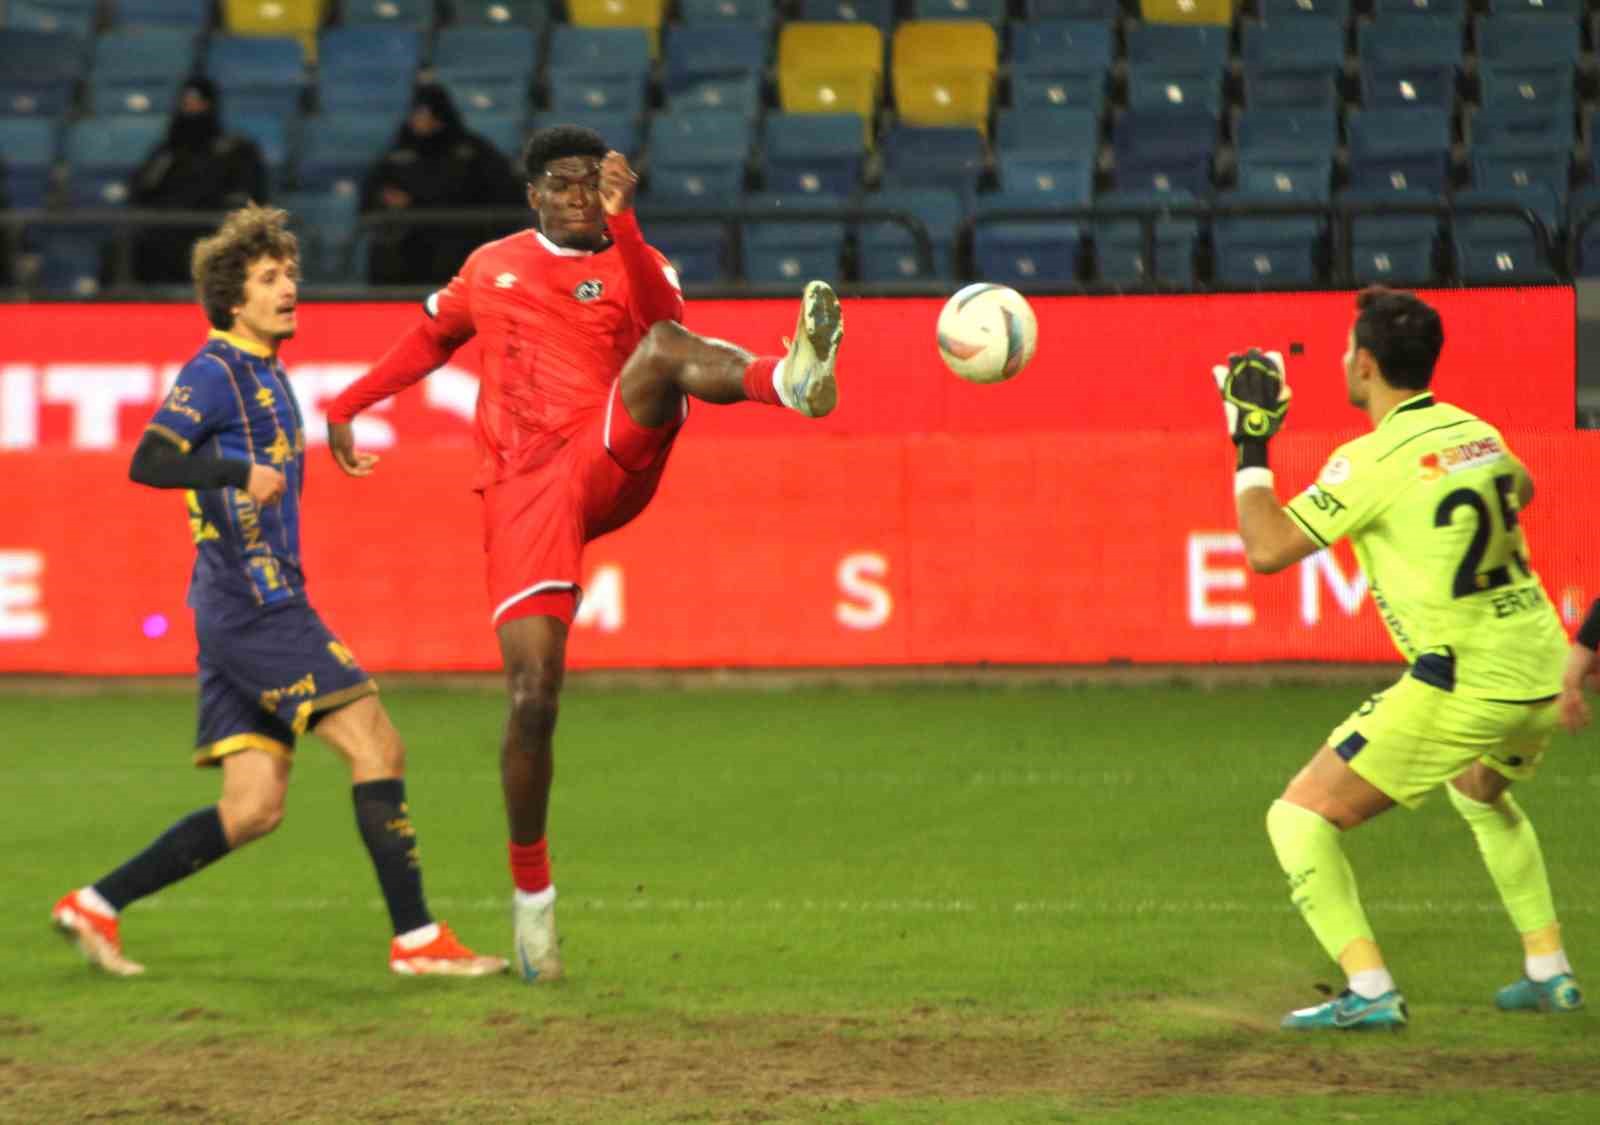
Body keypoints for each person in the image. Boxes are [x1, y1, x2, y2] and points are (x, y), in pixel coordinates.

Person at [324, 124, 844, 982]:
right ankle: (533, 903)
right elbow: (429, 338)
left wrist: (626, 221)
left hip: (609, 450)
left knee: (662, 351)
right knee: (532, 696)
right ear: (532, 194)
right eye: (562, 183)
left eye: (591, 181)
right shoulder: (490, 267)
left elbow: (664, 326)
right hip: (522, 489)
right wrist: (348, 399)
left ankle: (784, 379)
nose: (578, 195)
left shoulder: (640, 255)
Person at [51, 204, 505, 979]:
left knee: (253, 806)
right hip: (256, 605)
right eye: (269, 279)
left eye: (289, 272)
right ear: (235, 301)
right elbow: (149, 460)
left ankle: (96, 903)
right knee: (377, 743)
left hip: (234, 607)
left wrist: (325, 439)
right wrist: (233, 473)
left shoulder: (263, 372)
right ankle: (418, 939)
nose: (288, 287)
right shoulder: (216, 369)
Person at [1214, 287, 1584, 1030]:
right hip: (1546, 665)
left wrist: (1251, 442)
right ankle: (1550, 969)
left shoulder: (1371, 460)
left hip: (1469, 679)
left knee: (1297, 818)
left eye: (1351, 349)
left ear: (1368, 365)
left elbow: (1264, 548)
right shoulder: (1476, 431)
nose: (1347, 359)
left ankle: (1371, 989)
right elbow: (1525, 487)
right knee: (1479, 790)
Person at [360, 83, 524, 286]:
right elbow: (371, 196)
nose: (417, 119)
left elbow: (506, 195)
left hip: (461, 244)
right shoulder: (397, 153)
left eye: (424, 112)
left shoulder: (473, 151)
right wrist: (386, 200)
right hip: (406, 248)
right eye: (415, 112)